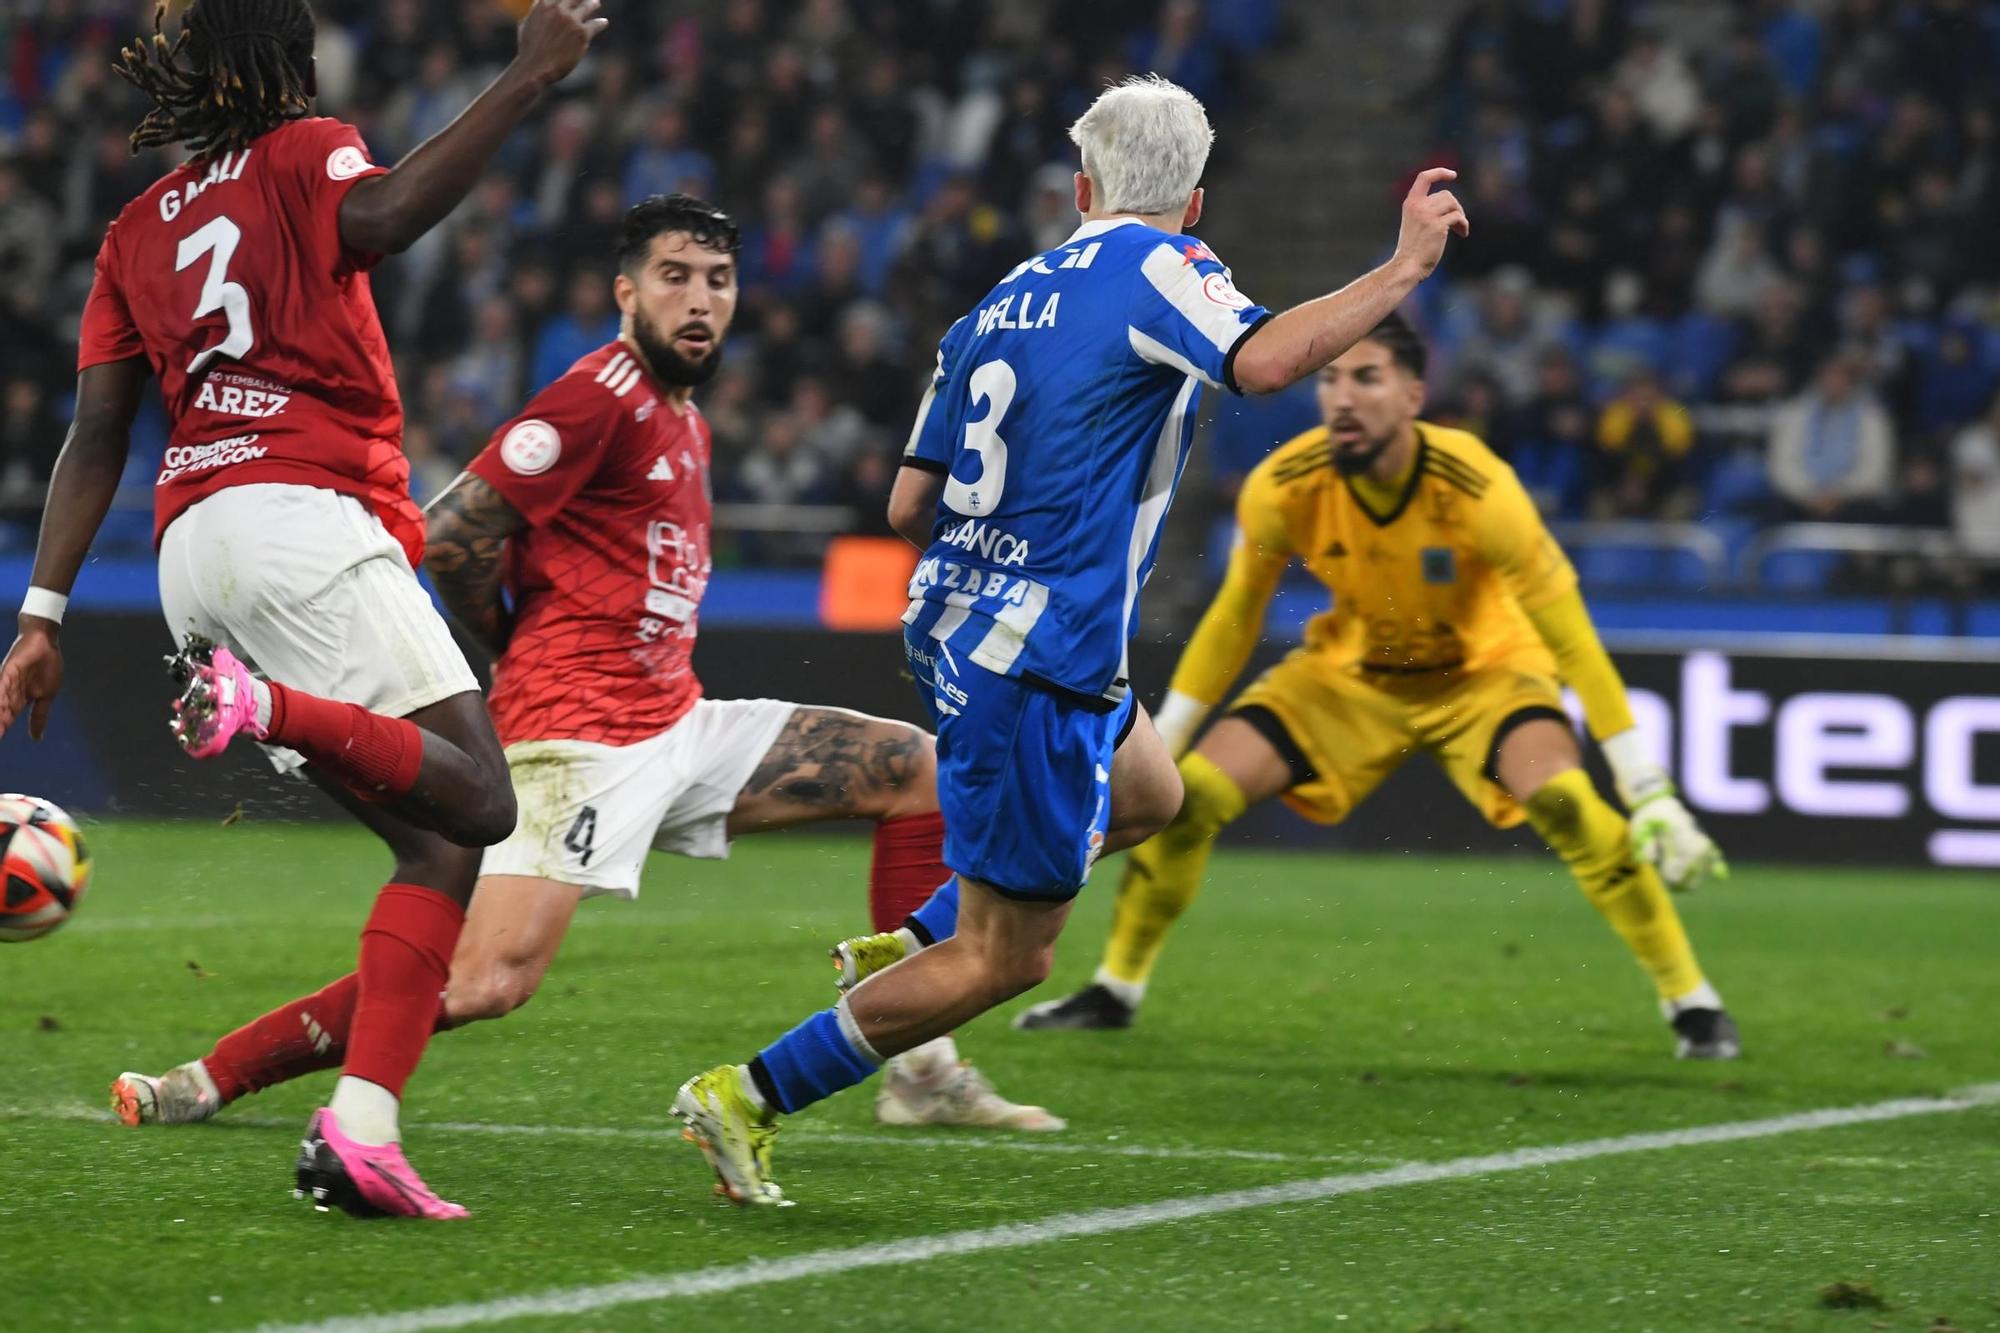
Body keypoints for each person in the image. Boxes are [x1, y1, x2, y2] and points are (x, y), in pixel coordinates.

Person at [669, 75, 1470, 1206]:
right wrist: (1400, 270)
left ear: (1080, 186)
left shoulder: (996, 302)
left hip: (970, 629)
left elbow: (907, 505)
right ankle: (748, 1092)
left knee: (1150, 793)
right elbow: (1262, 363)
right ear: (1191, 204)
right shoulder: (1161, 268)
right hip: (1038, 657)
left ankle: (911, 945)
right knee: (1011, 956)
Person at [109, 196, 1059, 1138]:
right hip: (574, 737)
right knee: (485, 980)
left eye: (717, 282)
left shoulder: (682, 414)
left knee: (915, 772)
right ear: (625, 292)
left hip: (675, 722)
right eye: (673, 277)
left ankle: (922, 1072)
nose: (698, 301)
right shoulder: (596, 398)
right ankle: (214, 1075)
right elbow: (450, 535)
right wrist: (520, 645)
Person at [0, 0, 606, 1219]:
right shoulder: (305, 148)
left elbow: (100, 430)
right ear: (277, 60)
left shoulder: (131, 231)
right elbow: (377, 218)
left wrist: (42, 613)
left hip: (193, 554)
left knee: (435, 841)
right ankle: (255, 701)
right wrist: (528, 76)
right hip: (302, 516)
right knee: (485, 796)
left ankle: (360, 1132)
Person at [1009, 314, 1739, 1060]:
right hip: (1349, 678)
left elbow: (1573, 639)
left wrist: (1649, 790)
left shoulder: (1478, 485)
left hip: (1485, 673)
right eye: (1329, 378)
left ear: (1414, 394)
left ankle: (1693, 1002)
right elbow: (1232, 621)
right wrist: (1159, 749)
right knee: (1191, 795)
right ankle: (1115, 987)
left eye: (1367, 376)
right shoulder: (1286, 484)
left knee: (1568, 803)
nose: (1342, 397)